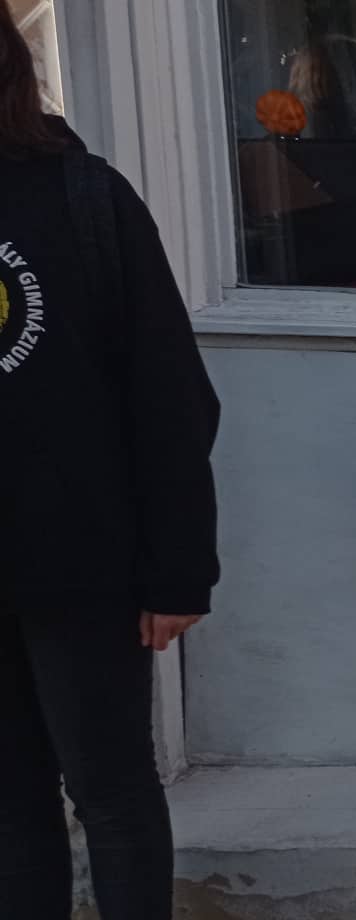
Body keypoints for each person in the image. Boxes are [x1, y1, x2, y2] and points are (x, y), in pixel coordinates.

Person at [0, 14, 222, 920]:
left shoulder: (84, 197)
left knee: (113, 795)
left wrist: (179, 571)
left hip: (83, 573)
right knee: (11, 814)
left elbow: (171, 396)